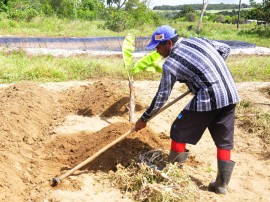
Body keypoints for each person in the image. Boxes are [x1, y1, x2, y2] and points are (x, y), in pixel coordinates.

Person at [134, 25, 239, 195]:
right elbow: (225, 49)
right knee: (223, 140)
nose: (157, 51)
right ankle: (221, 185)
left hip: (209, 97)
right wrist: (207, 73)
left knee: (178, 129)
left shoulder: (171, 64)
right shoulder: (198, 40)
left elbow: (162, 96)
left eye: (159, 47)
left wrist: (144, 119)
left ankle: (173, 174)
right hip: (230, 94)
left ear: (169, 43)